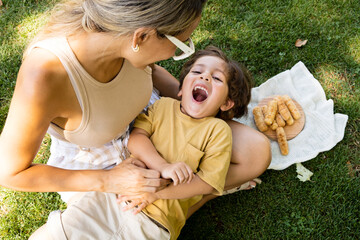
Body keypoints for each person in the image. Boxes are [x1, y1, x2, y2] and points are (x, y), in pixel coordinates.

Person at [0, 0, 270, 238]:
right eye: (181, 44)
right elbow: (9, 174)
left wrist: (190, 109)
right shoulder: (45, 74)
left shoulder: (124, 35)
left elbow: (151, 71)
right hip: (101, 161)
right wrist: (108, 182)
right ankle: (172, 206)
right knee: (126, 218)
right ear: (140, 38)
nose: (178, 53)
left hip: (152, 118)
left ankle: (183, 201)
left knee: (255, 152)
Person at [32, 46, 257, 239]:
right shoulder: (162, 107)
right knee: (55, 234)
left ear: (227, 103)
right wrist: (163, 167)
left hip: (152, 224)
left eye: (216, 78)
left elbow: (207, 182)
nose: (204, 77)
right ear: (181, 88)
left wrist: (155, 194)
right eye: (197, 72)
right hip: (112, 198)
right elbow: (137, 138)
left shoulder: (217, 131)